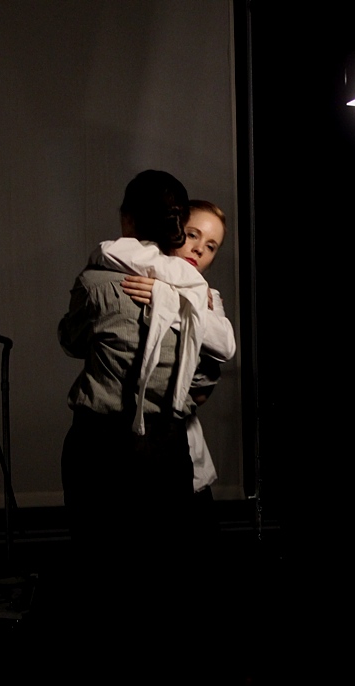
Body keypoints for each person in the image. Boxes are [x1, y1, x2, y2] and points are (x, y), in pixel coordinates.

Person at [58, 170, 207, 579]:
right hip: (167, 447)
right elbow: (211, 361)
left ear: (127, 219)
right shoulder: (195, 289)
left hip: (100, 446)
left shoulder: (94, 281)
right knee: (163, 567)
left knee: (100, 564)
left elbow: (72, 342)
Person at [111, 200, 235, 548]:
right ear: (174, 232)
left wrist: (168, 299)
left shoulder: (207, 296)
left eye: (211, 245)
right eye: (193, 235)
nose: (199, 249)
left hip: (182, 445)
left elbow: (224, 345)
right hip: (132, 439)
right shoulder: (137, 278)